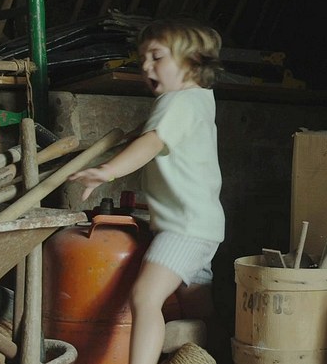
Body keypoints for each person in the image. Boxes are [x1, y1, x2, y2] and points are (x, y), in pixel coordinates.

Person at [68, 18, 225, 364]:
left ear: (190, 61)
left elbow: (153, 141)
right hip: (202, 225)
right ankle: (217, 357)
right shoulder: (200, 98)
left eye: (157, 57)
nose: (146, 66)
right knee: (199, 310)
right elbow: (156, 131)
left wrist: (107, 171)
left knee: (144, 297)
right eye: (142, 59)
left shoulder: (176, 102)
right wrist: (135, 133)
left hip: (183, 228)